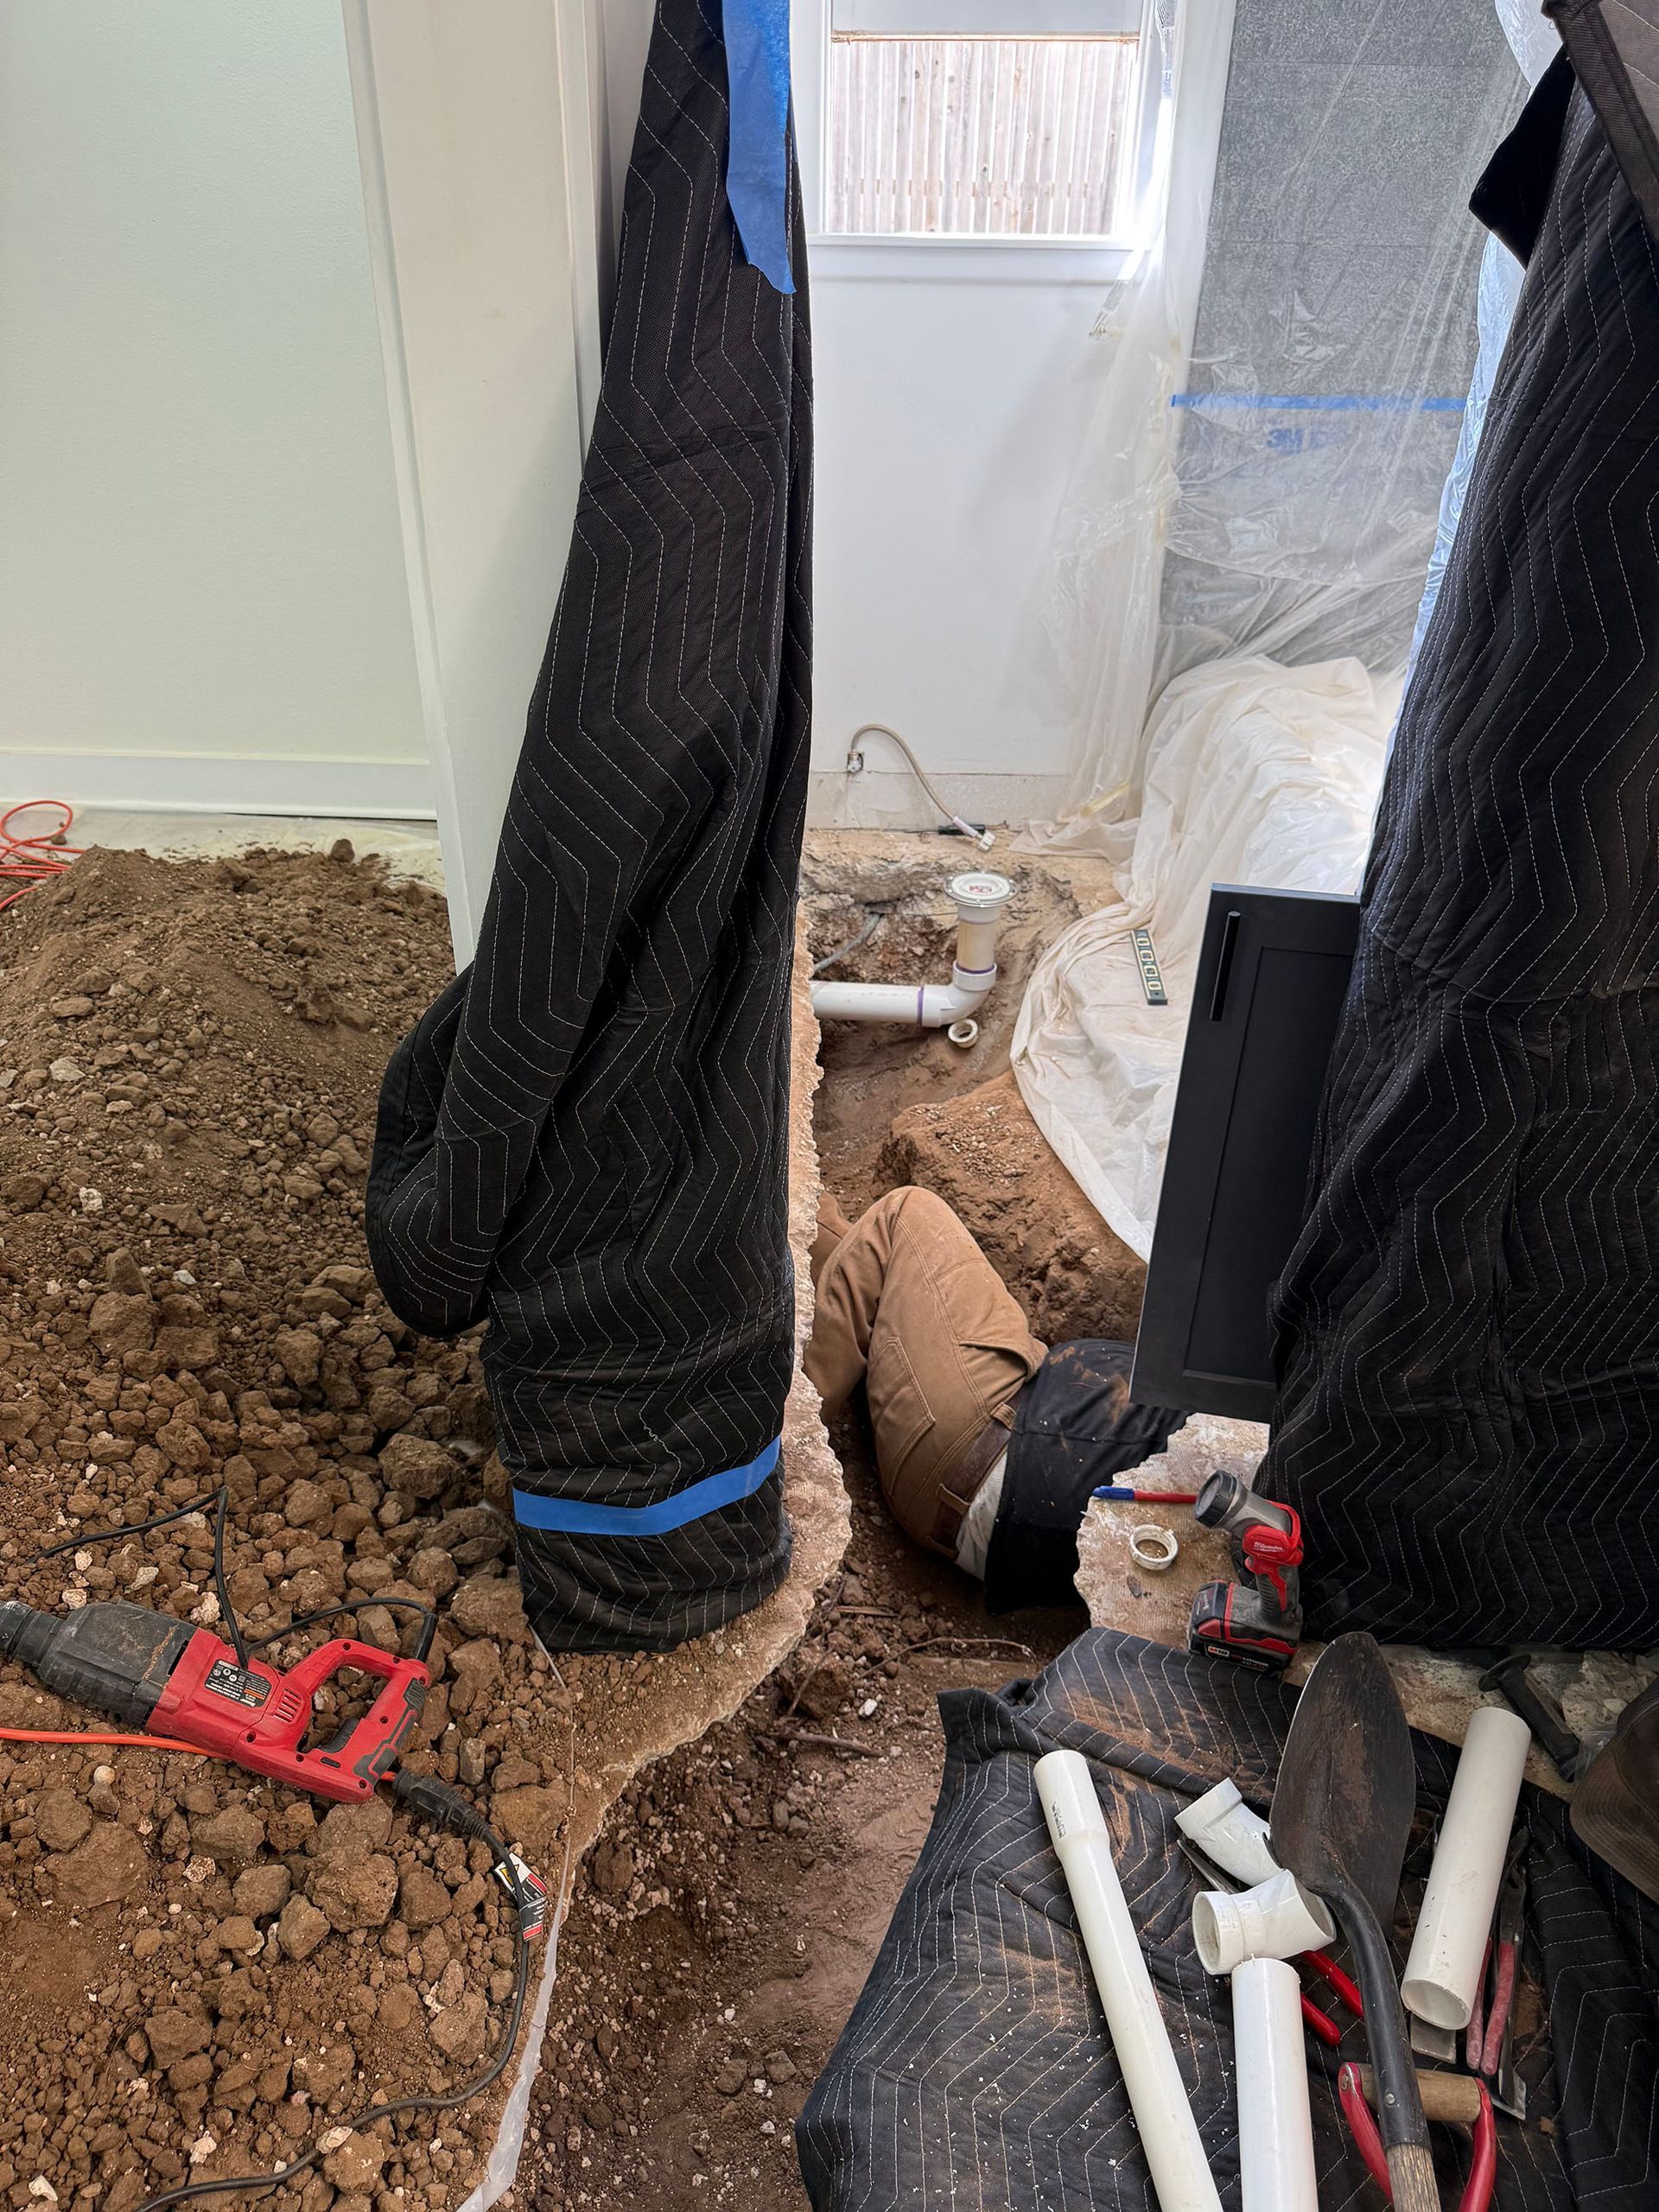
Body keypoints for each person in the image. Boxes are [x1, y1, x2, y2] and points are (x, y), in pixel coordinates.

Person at [805, 1186, 1184, 1611]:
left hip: (980, 1437)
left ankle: (775, 1434)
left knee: (903, 1216)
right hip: (981, 1481)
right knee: (842, 1243)